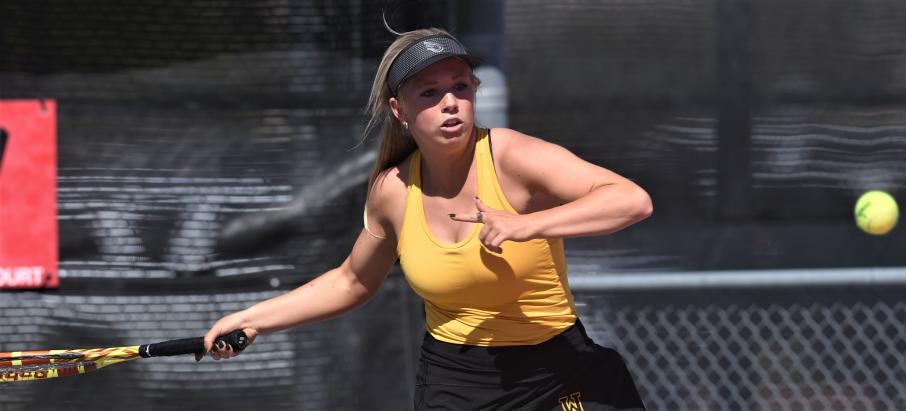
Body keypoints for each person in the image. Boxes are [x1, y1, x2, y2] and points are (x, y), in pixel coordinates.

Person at [203, 28, 652, 411]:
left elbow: (630, 201)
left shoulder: (513, 156)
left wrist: (528, 224)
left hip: (559, 369)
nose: (450, 103)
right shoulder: (392, 191)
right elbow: (352, 282)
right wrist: (254, 318)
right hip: (456, 383)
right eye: (430, 93)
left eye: (460, 86)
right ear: (400, 111)